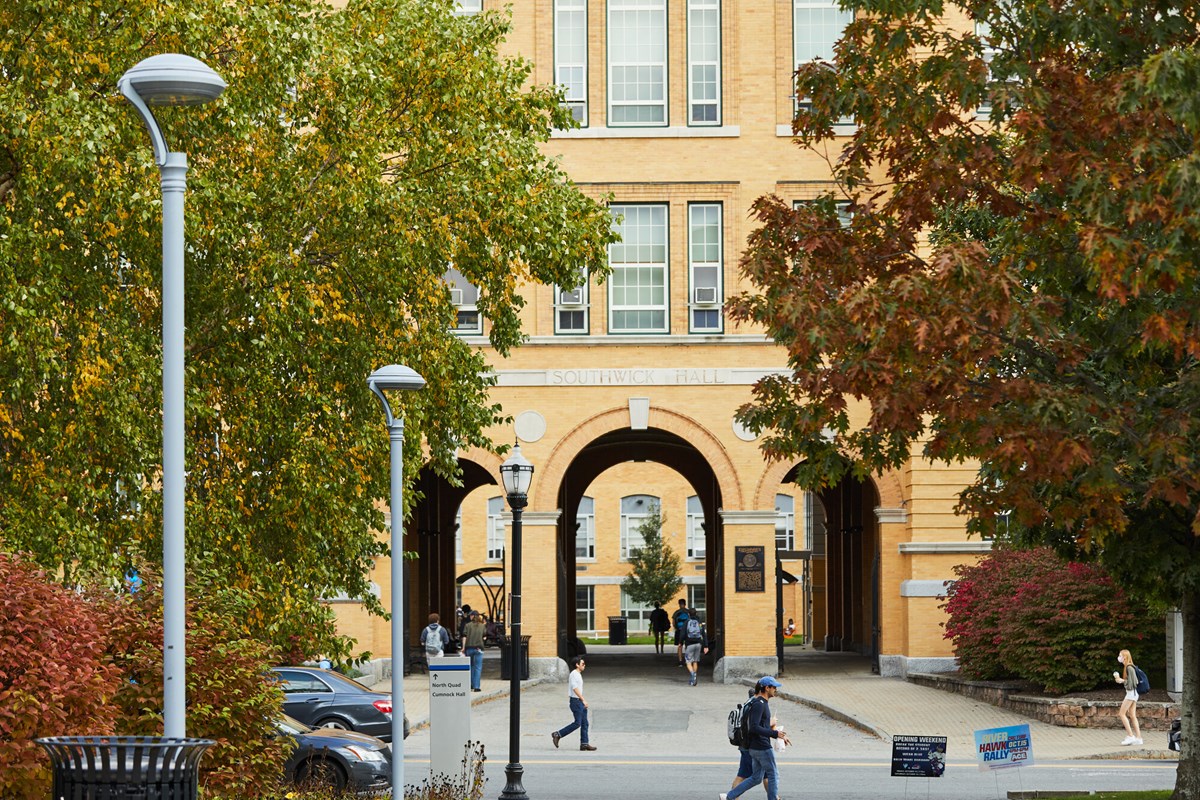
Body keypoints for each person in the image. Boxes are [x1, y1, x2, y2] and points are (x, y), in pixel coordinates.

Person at [721, 676, 790, 800]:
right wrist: (774, 734)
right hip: (762, 747)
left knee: (756, 778)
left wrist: (778, 734)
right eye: (773, 687)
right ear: (766, 688)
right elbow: (754, 727)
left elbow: (761, 725)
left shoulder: (761, 703)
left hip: (755, 747)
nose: (775, 689)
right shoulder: (759, 704)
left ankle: (729, 797)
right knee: (773, 775)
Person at [551, 657, 597, 751]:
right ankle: (558, 734)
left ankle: (584, 744)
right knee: (577, 723)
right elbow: (575, 688)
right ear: (577, 664)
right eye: (583, 663)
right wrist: (583, 699)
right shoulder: (574, 674)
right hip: (576, 701)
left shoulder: (578, 674)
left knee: (585, 723)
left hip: (578, 701)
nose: (584, 665)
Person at [1114, 648, 1143, 746]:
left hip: (1131, 694)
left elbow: (1134, 683)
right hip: (1133, 694)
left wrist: (1122, 681)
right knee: (1132, 715)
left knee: (1121, 714)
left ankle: (1130, 736)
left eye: (1120, 656)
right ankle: (1138, 738)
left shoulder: (1129, 667)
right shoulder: (1129, 667)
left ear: (1125, 657)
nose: (1119, 657)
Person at [462, 610, 487, 691]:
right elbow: (484, 637)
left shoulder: (467, 625)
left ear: (472, 616)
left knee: (470, 667)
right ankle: (476, 687)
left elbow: (464, 637)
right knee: (477, 667)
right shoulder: (482, 626)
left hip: (469, 648)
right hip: (479, 648)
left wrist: (463, 647)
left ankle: (470, 685)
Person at [683, 610, 709, 686]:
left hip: (689, 644)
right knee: (695, 661)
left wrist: (680, 642)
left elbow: (683, 633)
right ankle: (694, 677)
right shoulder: (700, 622)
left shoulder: (687, 622)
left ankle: (692, 674)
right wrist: (706, 645)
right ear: (696, 613)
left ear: (688, 614)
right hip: (698, 643)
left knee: (688, 662)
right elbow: (704, 634)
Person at [672, 599, 690, 666]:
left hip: (679, 631)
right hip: (687, 631)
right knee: (687, 646)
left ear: (679, 604)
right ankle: (687, 660)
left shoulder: (676, 612)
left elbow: (673, 623)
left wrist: (676, 628)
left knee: (680, 646)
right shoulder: (688, 612)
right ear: (685, 604)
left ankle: (680, 661)